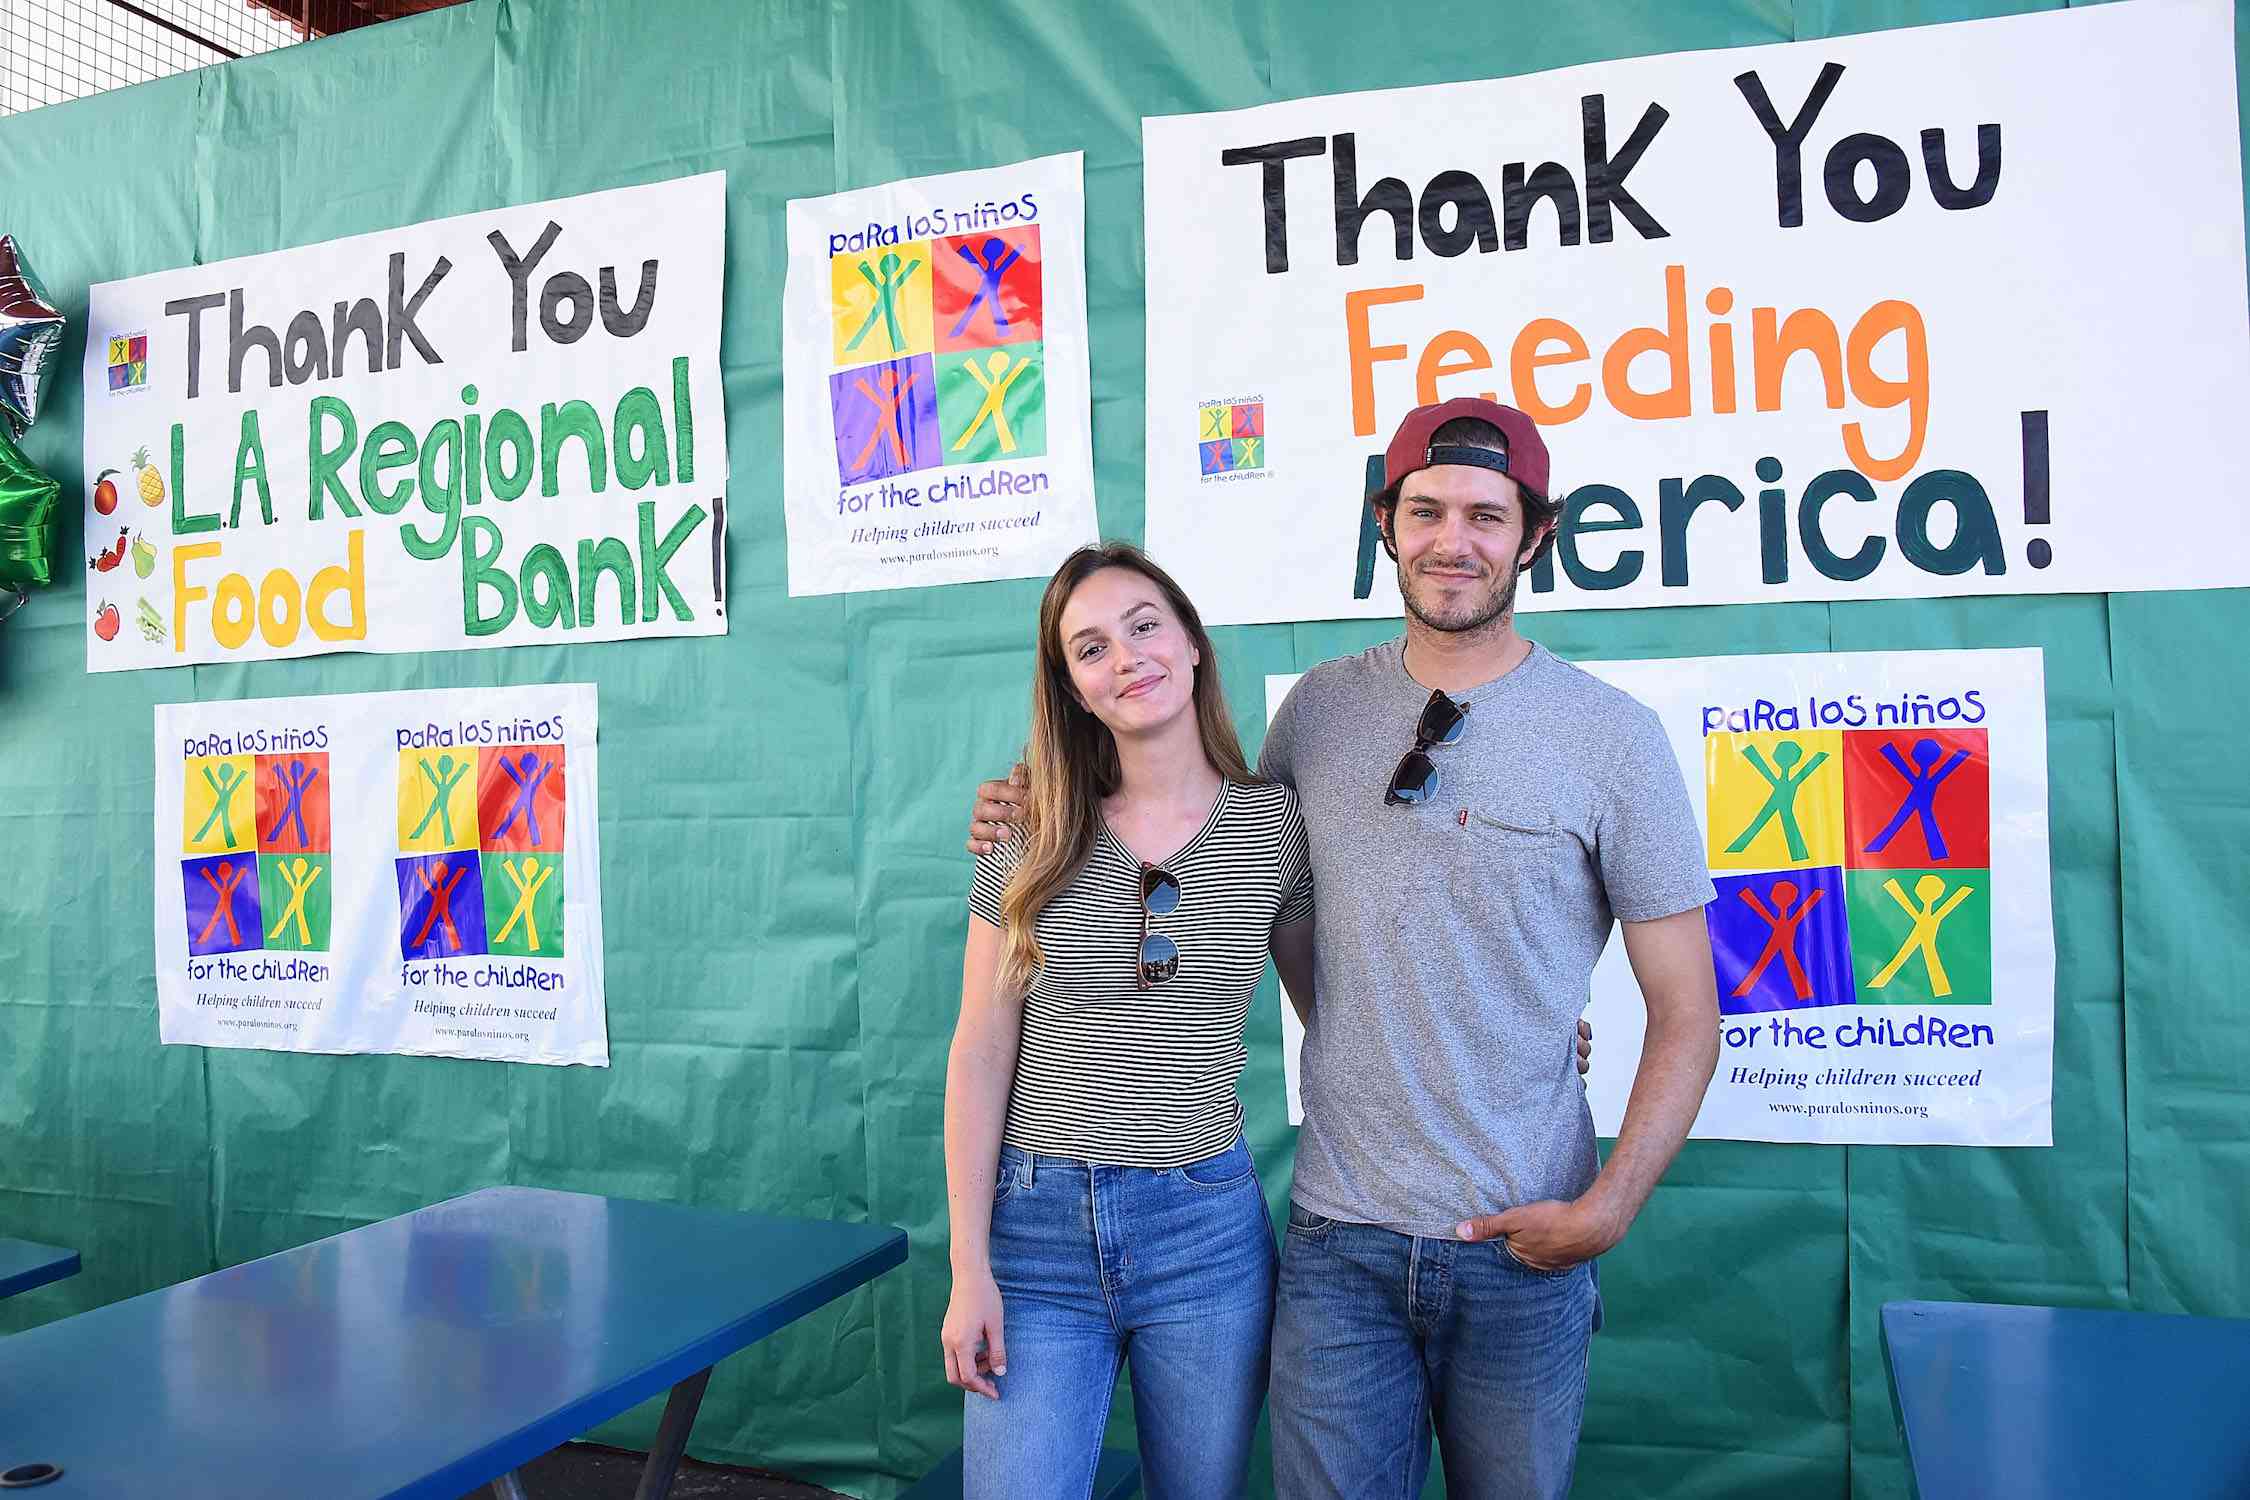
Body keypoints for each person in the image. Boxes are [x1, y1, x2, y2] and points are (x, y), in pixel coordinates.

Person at [967, 397, 1720, 1499]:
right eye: (1425, 510)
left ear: (1536, 535)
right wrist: (1035, 796)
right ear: (1386, 523)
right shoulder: (1316, 714)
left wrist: (1609, 1205)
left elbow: (1689, 1012)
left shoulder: (1613, 737)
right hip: (1336, 1243)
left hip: (1523, 1245)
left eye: (1485, 515)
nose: (1451, 540)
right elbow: (1253, 883)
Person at [941, 541, 1317, 1500]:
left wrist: (1533, 1025)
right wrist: (969, 1265)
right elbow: (981, 1049)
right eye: (1091, 647)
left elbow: (1340, 1007)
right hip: (1035, 1233)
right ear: (1071, 687)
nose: (1128, 658)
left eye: (1145, 626)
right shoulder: (1028, 829)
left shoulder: (1277, 831)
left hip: (1205, 1235)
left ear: (1192, 644)